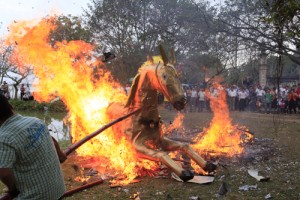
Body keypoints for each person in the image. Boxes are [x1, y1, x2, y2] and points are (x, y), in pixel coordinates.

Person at [0, 94, 66, 199]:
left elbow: (4, 174)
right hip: (58, 190)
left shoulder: (4, 138)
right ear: (11, 106)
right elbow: (52, 140)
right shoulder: (36, 121)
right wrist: (61, 155)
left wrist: (12, 190)